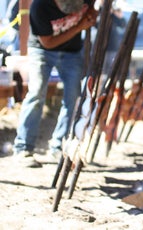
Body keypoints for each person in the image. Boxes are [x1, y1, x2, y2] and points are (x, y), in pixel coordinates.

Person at [13, 0, 98, 167]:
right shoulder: (40, 6)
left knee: (72, 97)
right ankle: (23, 147)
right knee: (36, 93)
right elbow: (48, 42)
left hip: (72, 52)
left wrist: (93, 14)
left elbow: (94, 9)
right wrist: (79, 27)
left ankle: (59, 146)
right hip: (42, 50)